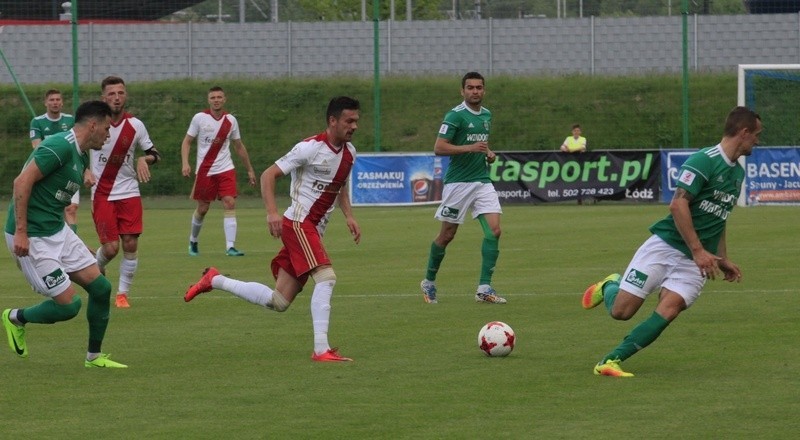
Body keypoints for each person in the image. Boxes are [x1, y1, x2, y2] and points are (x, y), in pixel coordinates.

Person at [582, 106, 762, 378]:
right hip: (665, 246)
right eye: (757, 135)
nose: (758, 142)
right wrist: (699, 250)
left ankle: (610, 360)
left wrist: (722, 258)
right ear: (744, 132)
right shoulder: (704, 161)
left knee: (671, 308)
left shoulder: (737, 174)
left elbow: (719, 218)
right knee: (621, 312)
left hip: (696, 261)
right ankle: (610, 284)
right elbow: (678, 205)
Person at [184, 96, 362, 362]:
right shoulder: (309, 148)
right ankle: (321, 349)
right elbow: (269, 175)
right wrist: (271, 213)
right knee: (326, 277)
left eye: (356, 121)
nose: (354, 126)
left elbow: (340, 187)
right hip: (300, 223)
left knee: (278, 301)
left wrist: (349, 216)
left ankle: (214, 279)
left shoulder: (350, 154)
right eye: (349, 121)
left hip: (312, 230)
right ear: (332, 121)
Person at [2, 100, 127, 368]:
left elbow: (54, 197)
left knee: (101, 288)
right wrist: (21, 232)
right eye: (106, 128)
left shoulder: (81, 154)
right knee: (69, 306)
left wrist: (73, 239)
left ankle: (94, 357)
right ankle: (15, 317)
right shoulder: (59, 146)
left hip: (56, 230)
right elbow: (21, 182)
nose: (108, 134)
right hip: (32, 236)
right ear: (93, 125)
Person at [420, 72, 505, 305]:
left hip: (482, 181)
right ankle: (429, 281)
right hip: (458, 184)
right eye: (470, 88)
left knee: (494, 231)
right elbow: (439, 147)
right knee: (447, 235)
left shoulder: (487, 115)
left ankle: (484, 288)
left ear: (484, 90)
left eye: (479, 87)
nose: (475, 91)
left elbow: (481, 145)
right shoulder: (455, 116)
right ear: (462, 91)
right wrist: (470, 148)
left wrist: (488, 154)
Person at [89, 76, 161, 309]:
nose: (116, 98)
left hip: (129, 192)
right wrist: (85, 171)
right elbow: (77, 151)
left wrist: (145, 159)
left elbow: (155, 153)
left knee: (130, 244)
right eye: (111, 94)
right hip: (101, 193)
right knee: (111, 248)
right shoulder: (93, 123)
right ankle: (97, 264)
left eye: (120, 93)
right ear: (103, 97)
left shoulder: (136, 125)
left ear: (125, 95)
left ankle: (122, 294)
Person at [181, 86, 256, 257]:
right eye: (213, 97)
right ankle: (193, 241)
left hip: (225, 168)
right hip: (205, 170)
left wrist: (250, 169)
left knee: (229, 202)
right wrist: (185, 163)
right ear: (209, 100)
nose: (216, 100)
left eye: (219, 97)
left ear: (224, 99)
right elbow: (187, 142)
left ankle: (230, 247)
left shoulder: (231, 121)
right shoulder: (200, 118)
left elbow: (238, 146)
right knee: (203, 208)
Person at [29, 89, 80, 231]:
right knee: (56, 212)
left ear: (62, 102)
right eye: (52, 100)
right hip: (49, 173)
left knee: (71, 208)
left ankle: (72, 245)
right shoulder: (37, 122)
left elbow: (78, 146)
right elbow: (37, 148)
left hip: (70, 171)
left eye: (58, 99)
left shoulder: (71, 120)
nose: (55, 102)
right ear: (46, 102)